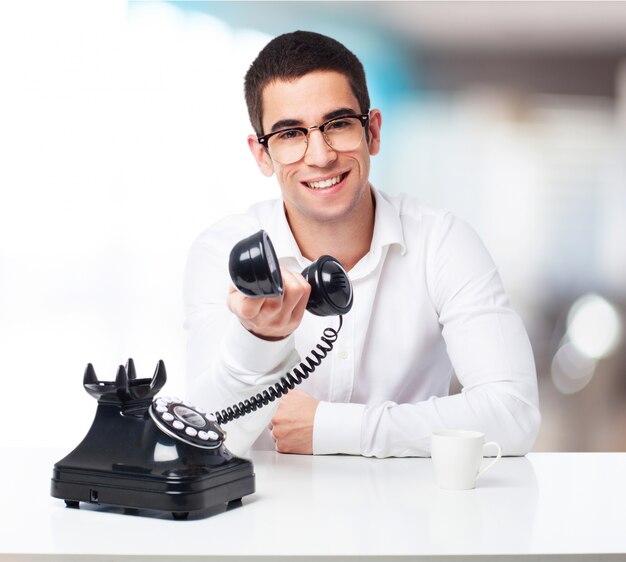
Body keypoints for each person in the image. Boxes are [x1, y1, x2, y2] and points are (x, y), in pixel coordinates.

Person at [183, 30, 541, 458]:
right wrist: (257, 339)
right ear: (262, 155)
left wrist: (332, 428)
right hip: (267, 519)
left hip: (414, 517)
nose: (320, 156)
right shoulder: (223, 253)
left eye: (337, 125)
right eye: (291, 134)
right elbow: (204, 438)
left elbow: (513, 415)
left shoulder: (444, 243)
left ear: (372, 131)